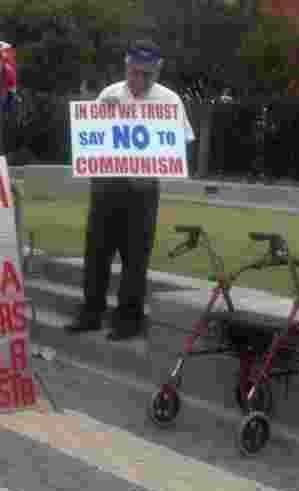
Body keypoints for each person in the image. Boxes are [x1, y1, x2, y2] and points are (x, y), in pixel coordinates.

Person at [66, 38, 195, 341]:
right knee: (96, 252)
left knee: (136, 257)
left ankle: (129, 319)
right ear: (126, 65)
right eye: (134, 72)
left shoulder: (169, 101)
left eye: (146, 74)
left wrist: (153, 174)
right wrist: (103, 116)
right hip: (106, 185)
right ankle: (91, 312)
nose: (139, 79)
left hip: (143, 189)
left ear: (158, 71)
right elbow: (90, 139)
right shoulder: (109, 94)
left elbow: (181, 144)